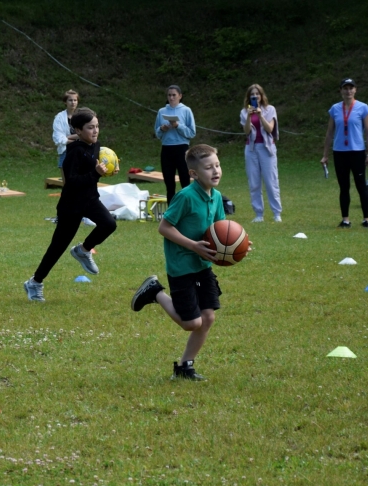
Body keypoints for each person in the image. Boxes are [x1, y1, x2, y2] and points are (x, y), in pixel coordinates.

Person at [130, 144, 234, 381]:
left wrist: (236, 246)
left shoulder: (216, 197)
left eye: (217, 165)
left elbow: (220, 231)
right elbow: (164, 227)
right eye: (209, 168)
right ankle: (155, 291)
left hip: (203, 266)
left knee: (207, 318)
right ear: (194, 174)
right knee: (191, 323)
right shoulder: (185, 196)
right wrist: (193, 245)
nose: (215, 171)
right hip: (182, 267)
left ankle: (185, 366)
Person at [24, 108, 118, 302]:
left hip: (90, 200)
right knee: (57, 248)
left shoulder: (96, 146)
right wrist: (96, 174)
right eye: (90, 127)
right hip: (71, 204)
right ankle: (34, 283)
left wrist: (108, 170)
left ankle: (83, 250)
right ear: (78, 129)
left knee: (109, 224)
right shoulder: (73, 152)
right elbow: (72, 182)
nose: (95, 131)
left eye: (97, 126)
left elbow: (97, 167)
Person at [321, 78, 368, 228]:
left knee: (361, 185)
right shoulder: (335, 109)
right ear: (341, 91)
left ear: (355, 90)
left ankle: (366, 219)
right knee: (344, 186)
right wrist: (325, 154)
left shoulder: (363, 108)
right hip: (340, 152)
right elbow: (329, 133)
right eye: (345, 88)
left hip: (357, 151)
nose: (348, 91)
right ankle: (345, 219)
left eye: (351, 88)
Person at [240, 84, 281, 222]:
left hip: (267, 148)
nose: (255, 96)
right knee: (254, 182)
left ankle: (276, 213)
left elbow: (269, 129)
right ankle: (259, 214)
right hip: (251, 149)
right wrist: (249, 117)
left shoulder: (270, 110)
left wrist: (260, 115)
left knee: (271, 181)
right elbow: (246, 131)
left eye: (258, 94)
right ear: (249, 97)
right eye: (252, 94)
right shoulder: (244, 112)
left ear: (262, 96)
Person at [154, 85, 196, 205]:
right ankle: (171, 213)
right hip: (167, 149)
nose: (171, 98)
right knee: (169, 182)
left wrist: (178, 126)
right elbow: (157, 133)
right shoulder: (162, 111)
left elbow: (191, 133)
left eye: (174, 95)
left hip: (182, 148)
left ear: (180, 96)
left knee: (185, 180)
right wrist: (162, 129)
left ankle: (187, 208)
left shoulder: (186, 110)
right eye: (169, 95)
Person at [52, 90, 80, 179]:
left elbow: (86, 134)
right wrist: (76, 138)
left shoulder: (82, 115)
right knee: (66, 182)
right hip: (66, 150)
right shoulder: (59, 118)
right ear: (65, 102)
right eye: (70, 100)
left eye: (75, 100)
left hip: (81, 150)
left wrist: (68, 137)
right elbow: (58, 138)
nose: (73, 103)